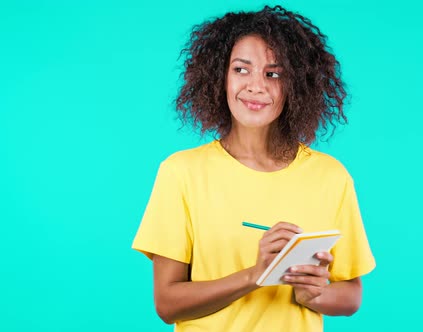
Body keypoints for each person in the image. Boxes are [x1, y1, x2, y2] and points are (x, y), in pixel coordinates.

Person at [132, 5, 375, 331]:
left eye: (273, 74)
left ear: (296, 86)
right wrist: (254, 275)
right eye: (241, 69)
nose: (256, 86)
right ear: (219, 75)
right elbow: (167, 303)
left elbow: (350, 297)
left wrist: (310, 294)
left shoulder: (330, 176)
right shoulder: (182, 173)